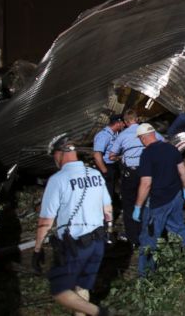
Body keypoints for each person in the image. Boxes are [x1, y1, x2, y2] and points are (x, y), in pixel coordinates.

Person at [32, 135, 113, 316]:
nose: (54, 160)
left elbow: (46, 221)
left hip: (75, 245)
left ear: (60, 154)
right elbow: (107, 208)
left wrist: (37, 249)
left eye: (54, 156)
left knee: (59, 290)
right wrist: (108, 231)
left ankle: (100, 313)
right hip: (98, 242)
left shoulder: (57, 180)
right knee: (81, 287)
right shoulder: (95, 175)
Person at [132, 123, 185, 276]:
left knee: (148, 238)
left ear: (142, 138)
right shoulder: (171, 148)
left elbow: (146, 183)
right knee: (179, 227)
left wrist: (137, 206)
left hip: (158, 202)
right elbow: (183, 171)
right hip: (175, 196)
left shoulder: (147, 154)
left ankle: (146, 275)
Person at [109, 110, 163, 246]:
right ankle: (152, 234)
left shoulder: (122, 135)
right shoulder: (149, 131)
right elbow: (165, 143)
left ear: (126, 122)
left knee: (129, 205)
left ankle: (133, 238)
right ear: (137, 119)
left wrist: (123, 156)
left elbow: (111, 156)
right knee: (149, 203)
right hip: (148, 172)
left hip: (131, 174)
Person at [93, 114, 124, 205]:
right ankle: (106, 218)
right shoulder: (103, 135)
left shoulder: (114, 134)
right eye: (122, 123)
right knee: (107, 195)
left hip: (113, 166)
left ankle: (111, 213)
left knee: (112, 192)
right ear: (118, 123)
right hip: (106, 167)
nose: (124, 125)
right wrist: (105, 172)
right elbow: (97, 155)